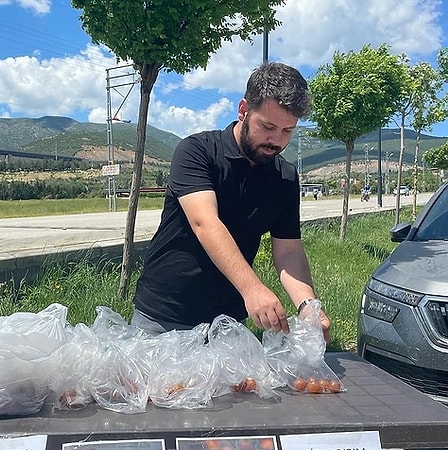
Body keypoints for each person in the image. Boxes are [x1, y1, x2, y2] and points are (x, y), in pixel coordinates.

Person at [132, 62, 330, 342]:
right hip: (164, 317)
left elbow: (288, 251)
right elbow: (205, 223)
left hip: (227, 323)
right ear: (243, 110)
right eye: (268, 126)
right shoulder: (197, 152)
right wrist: (253, 289)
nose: (276, 140)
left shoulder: (284, 176)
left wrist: (308, 305)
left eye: (287, 131)